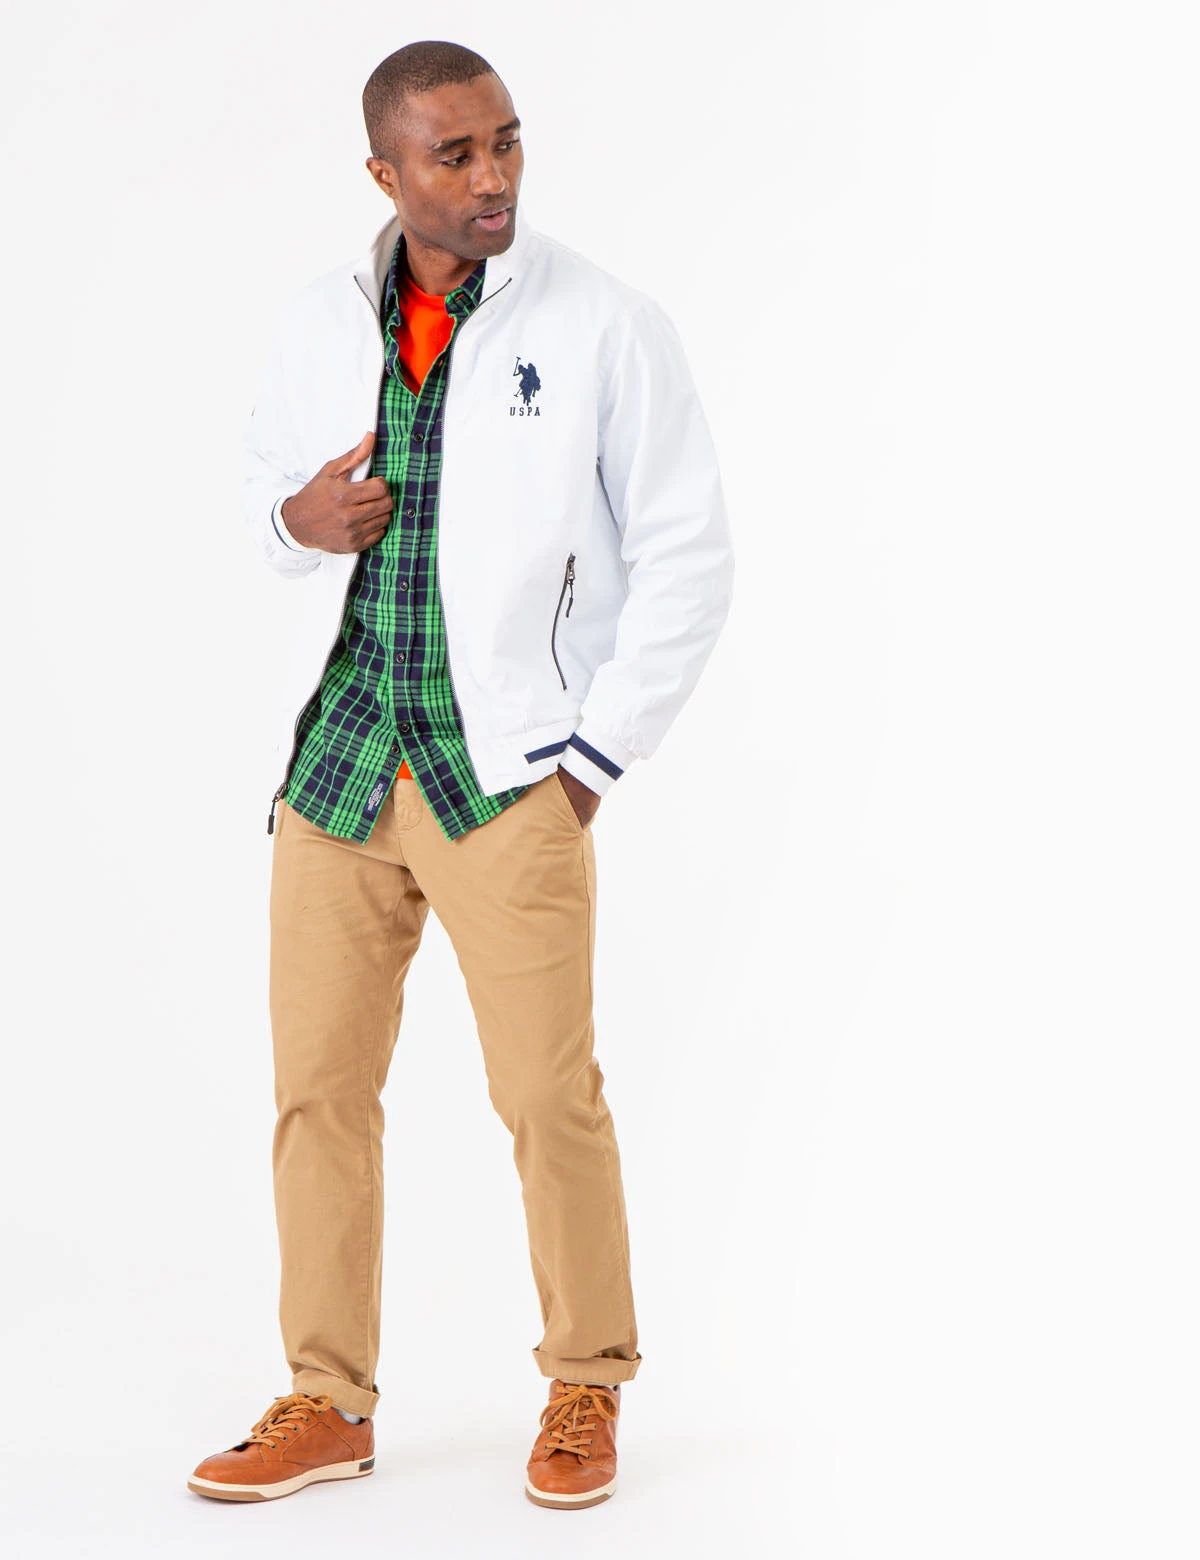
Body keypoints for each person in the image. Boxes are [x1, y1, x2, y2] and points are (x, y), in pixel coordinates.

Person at [188, 38, 733, 1511]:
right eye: (455, 154)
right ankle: (326, 1400)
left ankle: (585, 1382)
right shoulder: (319, 322)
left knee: (550, 1097)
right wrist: (296, 521)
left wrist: (591, 762)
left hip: (506, 782)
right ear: (386, 172)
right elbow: (259, 498)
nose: (493, 177)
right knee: (316, 1094)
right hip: (340, 769)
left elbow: (689, 558)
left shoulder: (605, 324)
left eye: (505, 142)